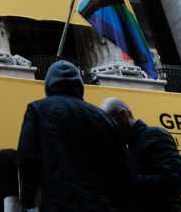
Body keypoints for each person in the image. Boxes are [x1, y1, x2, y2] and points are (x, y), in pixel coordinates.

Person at [16, 60, 128, 212]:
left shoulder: (37, 109)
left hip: (60, 203)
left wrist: (28, 199)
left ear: (48, 85)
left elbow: (27, 159)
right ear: (80, 85)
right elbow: (122, 167)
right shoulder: (103, 118)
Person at [100, 97, 181, 212]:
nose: (107, 129)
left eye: (108, 123)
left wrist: (126, 180)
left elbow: (175, 181)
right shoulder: (128, 148)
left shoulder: (155, 135)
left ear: (122, 115)